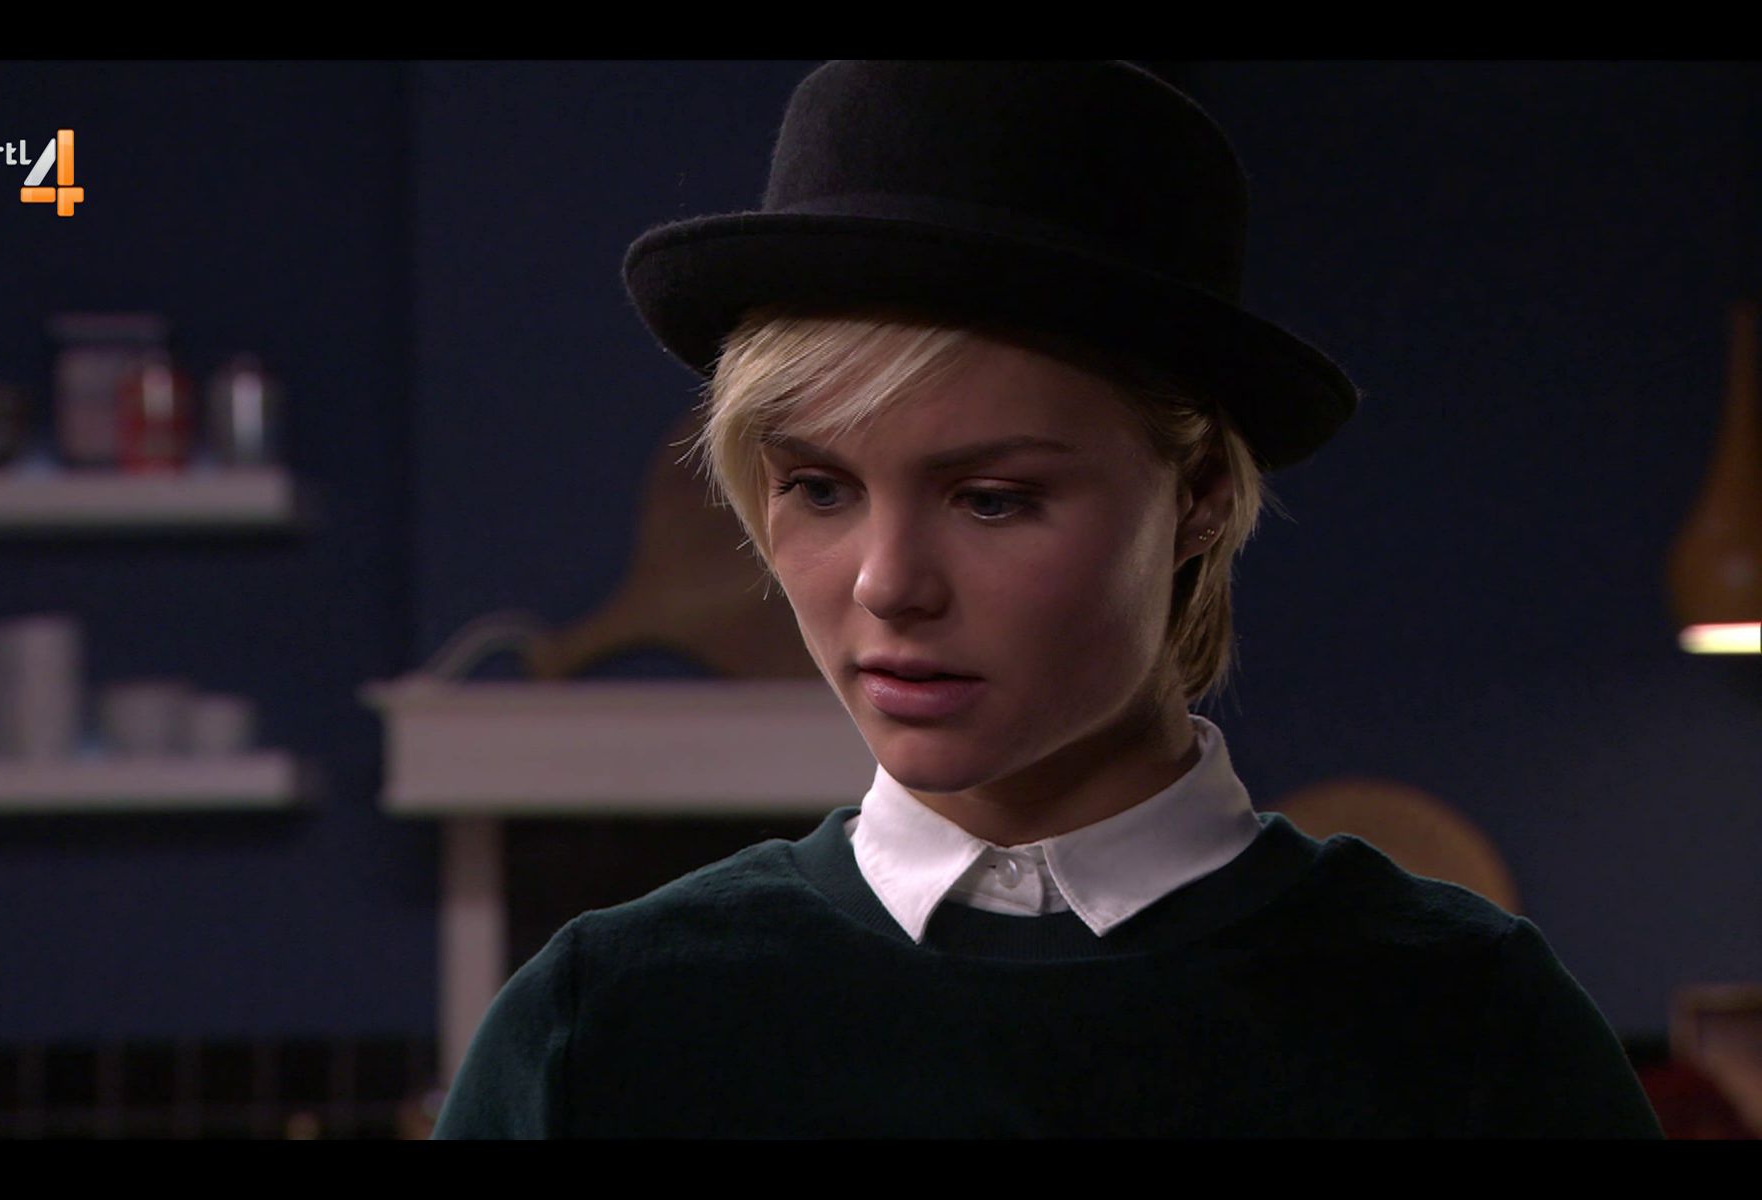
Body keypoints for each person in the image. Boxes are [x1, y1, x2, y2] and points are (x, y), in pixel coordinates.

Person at [433, 60, 1664, 1138]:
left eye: (992, 499)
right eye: (819, 488)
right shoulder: (603, 1030)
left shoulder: (1465, 1025)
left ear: (1199, 495)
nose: (887, 584)